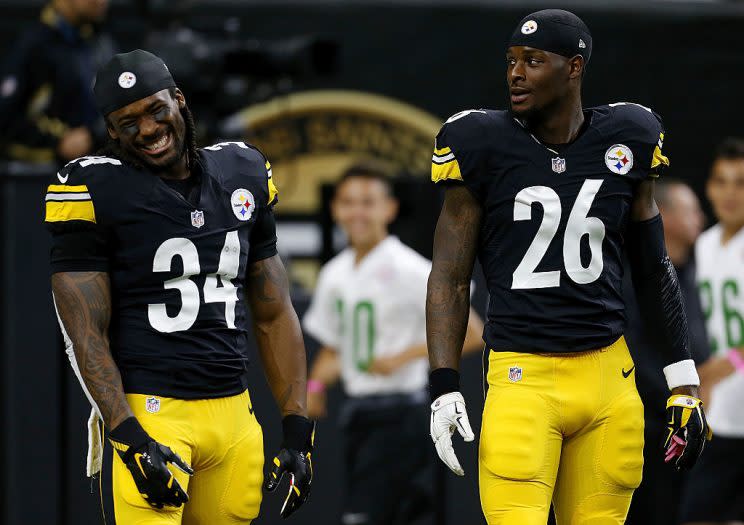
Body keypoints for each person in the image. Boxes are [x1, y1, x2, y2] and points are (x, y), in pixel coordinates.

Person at [425, 9, 711, 525]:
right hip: (523, 376)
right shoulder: (481, 143)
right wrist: (444, 385)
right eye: (512, 61)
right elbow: (449, 274)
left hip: (608, 377)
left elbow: (653, 267)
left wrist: (682, 382)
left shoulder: (628, 135)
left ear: (574, 67)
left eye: (534, 62)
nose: (516, 73)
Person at [45, 49, 313, 524]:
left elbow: (273, 312)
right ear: (111, 132)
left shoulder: (241, 171)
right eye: (128, 122)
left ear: (179, 101)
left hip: (234, 417)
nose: (147, 129)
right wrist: (127, 435)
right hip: (153, 414)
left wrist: (296, 429)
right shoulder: (94, 188)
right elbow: (85, 334)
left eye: (155, 110)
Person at [302, 164, 484, 525]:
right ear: (336, 209)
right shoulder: (334, 274)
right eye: (348, 202)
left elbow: (472, 331)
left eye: (368, 202)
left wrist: (402, 356)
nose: (357, 212)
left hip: (404, 416)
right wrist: (315, 387)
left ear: (389, 208)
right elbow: (336, 348)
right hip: (358, 417)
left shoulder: (408, 267)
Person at [625, 178, 711, 525]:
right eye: (692, 211)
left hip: (692, 419)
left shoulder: (693, 271)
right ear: (667, 217)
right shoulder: (635, 276)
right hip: (650, 427)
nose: (701, 220)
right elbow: (632, 352)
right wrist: (681, 393)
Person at [680, 138, 744, 525]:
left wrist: (730, 361)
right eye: (722, 181)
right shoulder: (702, 247)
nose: (730, 193)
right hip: (719, 414)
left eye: (740, 182)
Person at [0, 0, 115, 163]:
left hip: (99, 167)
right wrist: (58, 142)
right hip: (43, 175)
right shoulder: (33, 45)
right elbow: (6, 118)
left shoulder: (100, 41)